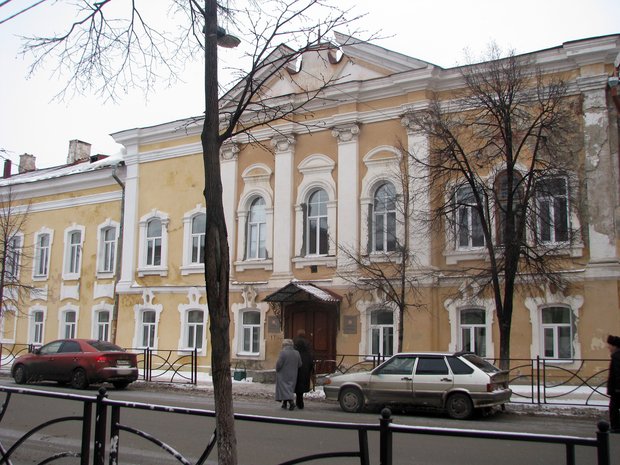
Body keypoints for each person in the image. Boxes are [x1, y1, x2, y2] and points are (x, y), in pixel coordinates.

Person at [275, 339, 301, 411]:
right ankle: (284, 403)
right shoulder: (297, 353)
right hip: (293, 374)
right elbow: (300, 364)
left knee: (284, 389)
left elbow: (278, 365)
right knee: (289, 389)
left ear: (284, 345)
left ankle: (291, 403)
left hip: (283, 374)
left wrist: (277, 369)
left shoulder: (283, 353)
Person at [294, 330, 315, 410]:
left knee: (297, 383)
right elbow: (311, 355)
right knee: (302, 384)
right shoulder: (308, 343)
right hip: (305, 366)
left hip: (296, 365)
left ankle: (298, 401)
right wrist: (311, 367)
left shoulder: (294, 342)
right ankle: (300, 402)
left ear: (298, 334)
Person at [607, 334, 620, 432]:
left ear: (615, 346)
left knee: (614, 407)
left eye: (610, 345)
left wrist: (617, 388)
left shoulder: (616, 357)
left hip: (617, 389)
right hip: (617, 388)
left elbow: (618, 372)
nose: (608, 347)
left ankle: (616, 427)